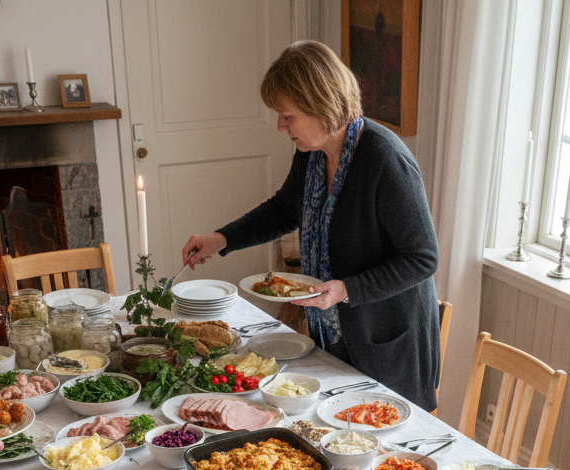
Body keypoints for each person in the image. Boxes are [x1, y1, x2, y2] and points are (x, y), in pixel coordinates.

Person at [180, 40, 440, 410]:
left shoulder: (385, 159)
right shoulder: (313, 154)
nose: (280, 125)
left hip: (387, 348)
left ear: (322, 105)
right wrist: (221, 239)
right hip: (337, 335)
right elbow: (285, 210)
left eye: (288, 115)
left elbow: (423, 258)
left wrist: (347, 289)